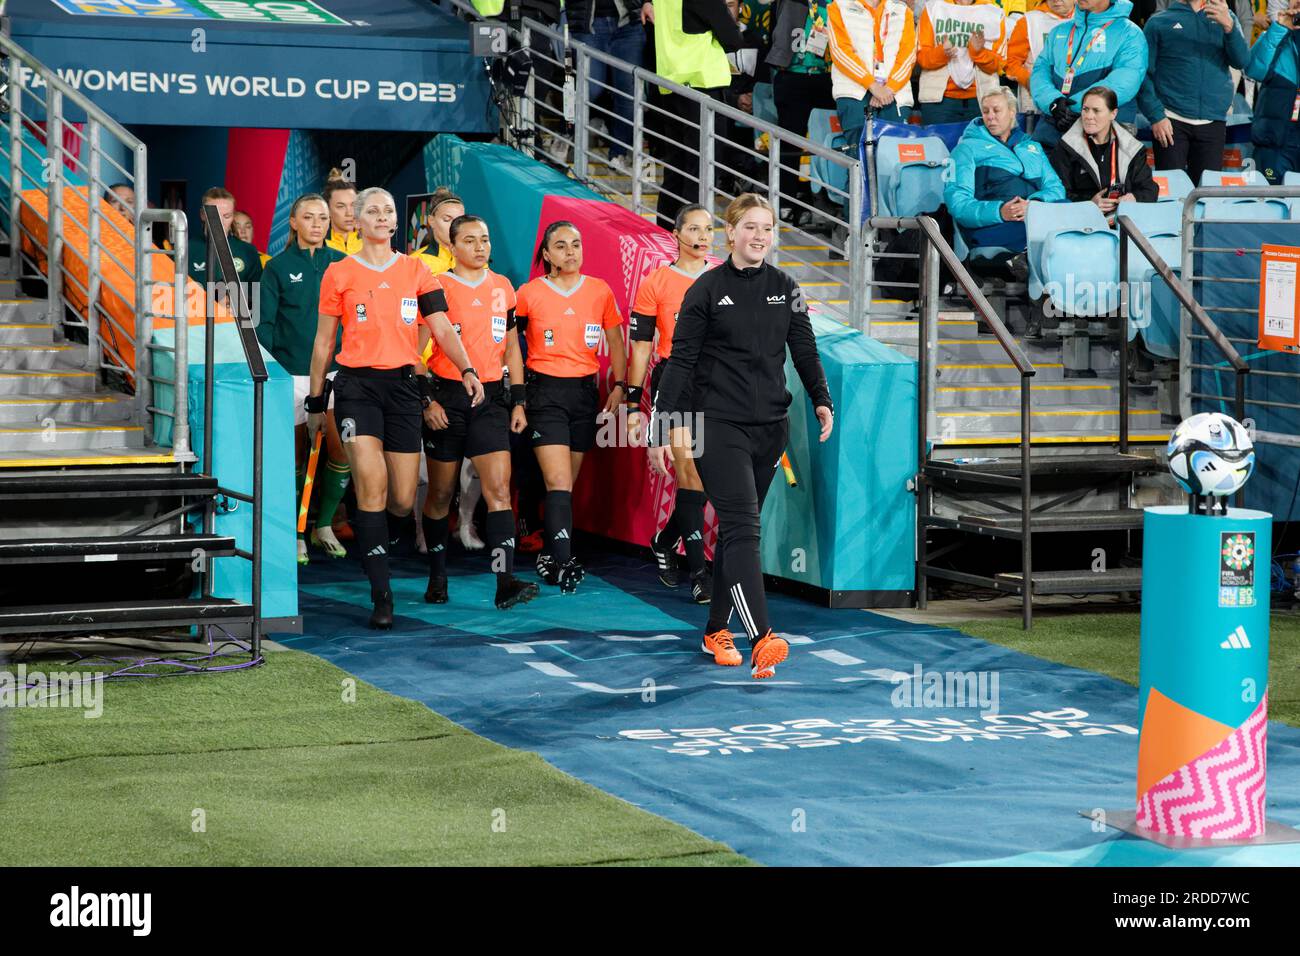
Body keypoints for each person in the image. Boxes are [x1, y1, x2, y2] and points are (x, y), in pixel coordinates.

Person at [653, 193, 833, 679]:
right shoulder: (706, 290)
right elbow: (681, 361)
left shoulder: (786, 287)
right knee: (744, 527)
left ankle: (715, 630)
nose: (759, 236)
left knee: (737, 533)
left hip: (771, 429)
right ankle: (763, 638)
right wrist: (660, 425)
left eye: (767, 228)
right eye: (750, 227)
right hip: (717, 426)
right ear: (730, 233)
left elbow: (805, 350)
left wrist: (821, 398)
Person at [308, 187, 485, 629]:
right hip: (356, 389)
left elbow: (442, 328)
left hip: (405, 390)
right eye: (373, 211)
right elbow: (325, 342)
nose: (383, 217)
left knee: (403, 500)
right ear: (357, 220)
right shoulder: (339, 272)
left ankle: (376, 542)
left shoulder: (418, 271)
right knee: (371, 482)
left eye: (389, 210)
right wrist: (316, 400)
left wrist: (467, 368)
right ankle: (381, 595)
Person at [420, 215, 540, 611]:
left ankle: (504, 580)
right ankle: (437, 576)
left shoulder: (503, 287)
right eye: (469, 240)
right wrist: (428, 402)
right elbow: (413, 352)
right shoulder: (437, 287)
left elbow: (511, 348)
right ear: (452, 247)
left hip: (490, 400)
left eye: (485, 239)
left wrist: (519, 399)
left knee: (499, 491)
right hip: (447, 397)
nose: (480, 246)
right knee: (440, 493)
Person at [515, 221, 628, 593]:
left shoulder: (599, 291)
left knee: (567, 486)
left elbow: (616, 340)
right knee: (559, 482)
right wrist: (517, 393)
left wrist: (620, 387)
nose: (570, 252)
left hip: (584, 395)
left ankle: (550, 551)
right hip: (544, 393)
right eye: (561, 246)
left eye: (576, 244)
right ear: (546, 254)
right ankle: (563, 561)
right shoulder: (529, 293)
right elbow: (509, 344)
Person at [255, 194, 352, 566]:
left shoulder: (342, 264)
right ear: (293, 223)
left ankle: (323, 525)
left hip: (338, 372)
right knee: (295, 458)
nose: (317, 223)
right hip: (292, 374)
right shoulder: (277, 268)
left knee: (341, 451)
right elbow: (264, 324)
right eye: (308, 217)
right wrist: (270, 372)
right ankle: (292, 531)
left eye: (323, 217)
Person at [627, 204, 715, 604]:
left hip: (720, 385)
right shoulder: (656, 282)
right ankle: (699, 573)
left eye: (709, 229)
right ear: (676, 234)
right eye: (694, 228)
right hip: (675, 381)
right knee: (690, 476)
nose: (702, 236)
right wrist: (633, 399)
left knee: (712, 480)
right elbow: (642, 345)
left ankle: (664, 539)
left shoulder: (723, 277)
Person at [646, 0, 743, 229]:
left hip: (672, 87)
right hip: (702, 87)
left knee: (677, 169)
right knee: (700, 173)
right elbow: (733, 39)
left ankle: (667, 235)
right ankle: (692, 238)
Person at [944, 86, 1066, 264]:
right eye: (985, 111)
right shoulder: (965, 149)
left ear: (1012, 112)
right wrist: (1000, 211)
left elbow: (1056, 189)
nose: (990, 116)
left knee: (1067, 208)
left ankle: (1026, 262)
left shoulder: (1031, 146)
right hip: (993, 225)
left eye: (996, 110)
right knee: (1054, 229)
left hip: (1033, 217)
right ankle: (1022, 261)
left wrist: (1034, 206)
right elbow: (958, 204)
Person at [1139, 0, 1249, 187]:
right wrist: (1156, 116)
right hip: (1170, 122)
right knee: (1172, 195)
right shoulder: (1158, 22)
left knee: (1207, 196)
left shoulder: (1226, 18)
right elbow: (1142, 74)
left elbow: (1241, 61)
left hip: (1213, 122)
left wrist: (1229, 27)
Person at [1030, 0, 1150, 147]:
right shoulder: (1060, 31)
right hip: (1053, 126)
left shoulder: (1130, 33)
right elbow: (1040, 70)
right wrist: (1053, 102)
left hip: (1102, 135)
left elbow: (1124, 82)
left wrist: (1076, 107)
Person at [766, 0, 836, 224]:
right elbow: (773, 32)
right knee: (789, 142)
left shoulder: (839, 4)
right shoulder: (787, 1)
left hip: (829, 79)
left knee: (829, 144)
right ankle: (786, 200)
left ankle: (826, 201)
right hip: (793, 77)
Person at [568, 0, 648, 178]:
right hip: (588, 25)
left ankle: (618, 154)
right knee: (590, 89)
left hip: (629, 25)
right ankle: (570, 136)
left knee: (629, 95)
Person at [1051, 86, 1160, 209]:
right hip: (1081, 221)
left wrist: (1134, 198)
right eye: (1085, 109)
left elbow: (1149, 189)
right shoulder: (1067, 146)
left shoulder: (1131, 148)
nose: (1088, 116)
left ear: (1113, 114)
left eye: (1096, 111)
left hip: (1120, 221)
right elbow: (1057, 193)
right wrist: (1089, 204)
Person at [828, 0, 918, 141]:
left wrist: (889, 88)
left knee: (894, 154)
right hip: (855, 94)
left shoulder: (902, 10)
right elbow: (840, 52)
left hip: (895, 96)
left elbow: (908, 55)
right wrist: (873, 86)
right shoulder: (839, 6)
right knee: (859, 156)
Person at [916, 0, 1009, 125]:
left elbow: (998, 64)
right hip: (939, 101)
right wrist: (942, 52)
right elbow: (921, 57)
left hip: (981, 100)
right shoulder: (933, 8)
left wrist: (978, 53)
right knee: (937, 144)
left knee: (979, 145)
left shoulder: (994, 12)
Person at [1246, 1, 1300, 181]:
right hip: (1275, 143)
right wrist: (1279, 28)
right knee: (1268, 202)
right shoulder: (1278, 34)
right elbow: (1253, 68)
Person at [1005, 0, 1076, 124]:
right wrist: (1031, 82)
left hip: (1074, 97)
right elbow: (1011, 63)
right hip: (1035, 103)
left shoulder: (1087, 19)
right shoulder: (1029, 21)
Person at [187, 186, 264, 286]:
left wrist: (233, 298)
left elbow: (257, 296)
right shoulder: (186, 248)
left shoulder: (248, 251)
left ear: (233, 216)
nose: (221, 222)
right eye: (214, 216)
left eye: (227, 216)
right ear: (203, 215)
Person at [411, 189, 464, 277]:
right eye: (447, 219)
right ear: (431, 221)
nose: (454, 225)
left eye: (460, 220)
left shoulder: (472, 258)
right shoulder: (415, 262)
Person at [322, 176, 363, 255]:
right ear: (328, 210)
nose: (349, 213)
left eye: (353, 205)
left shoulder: (371, 241)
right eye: (341, 206)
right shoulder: (318, 245)